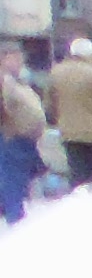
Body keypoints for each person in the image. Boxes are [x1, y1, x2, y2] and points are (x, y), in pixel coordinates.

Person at [41, 36, 92, 187]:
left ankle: (78, 198)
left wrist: (56, 119)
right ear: (91, 54)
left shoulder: (56, 72)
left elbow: (49, 104)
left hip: (70, 133)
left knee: (78, 175)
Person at [0, 58, 40, 222]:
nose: (19, 62)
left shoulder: (16, 82)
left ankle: (13, 209)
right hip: (12, 134)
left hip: (22, 135)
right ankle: (14, 214)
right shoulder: (6, 82)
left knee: (17, 174)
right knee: (12, 176)